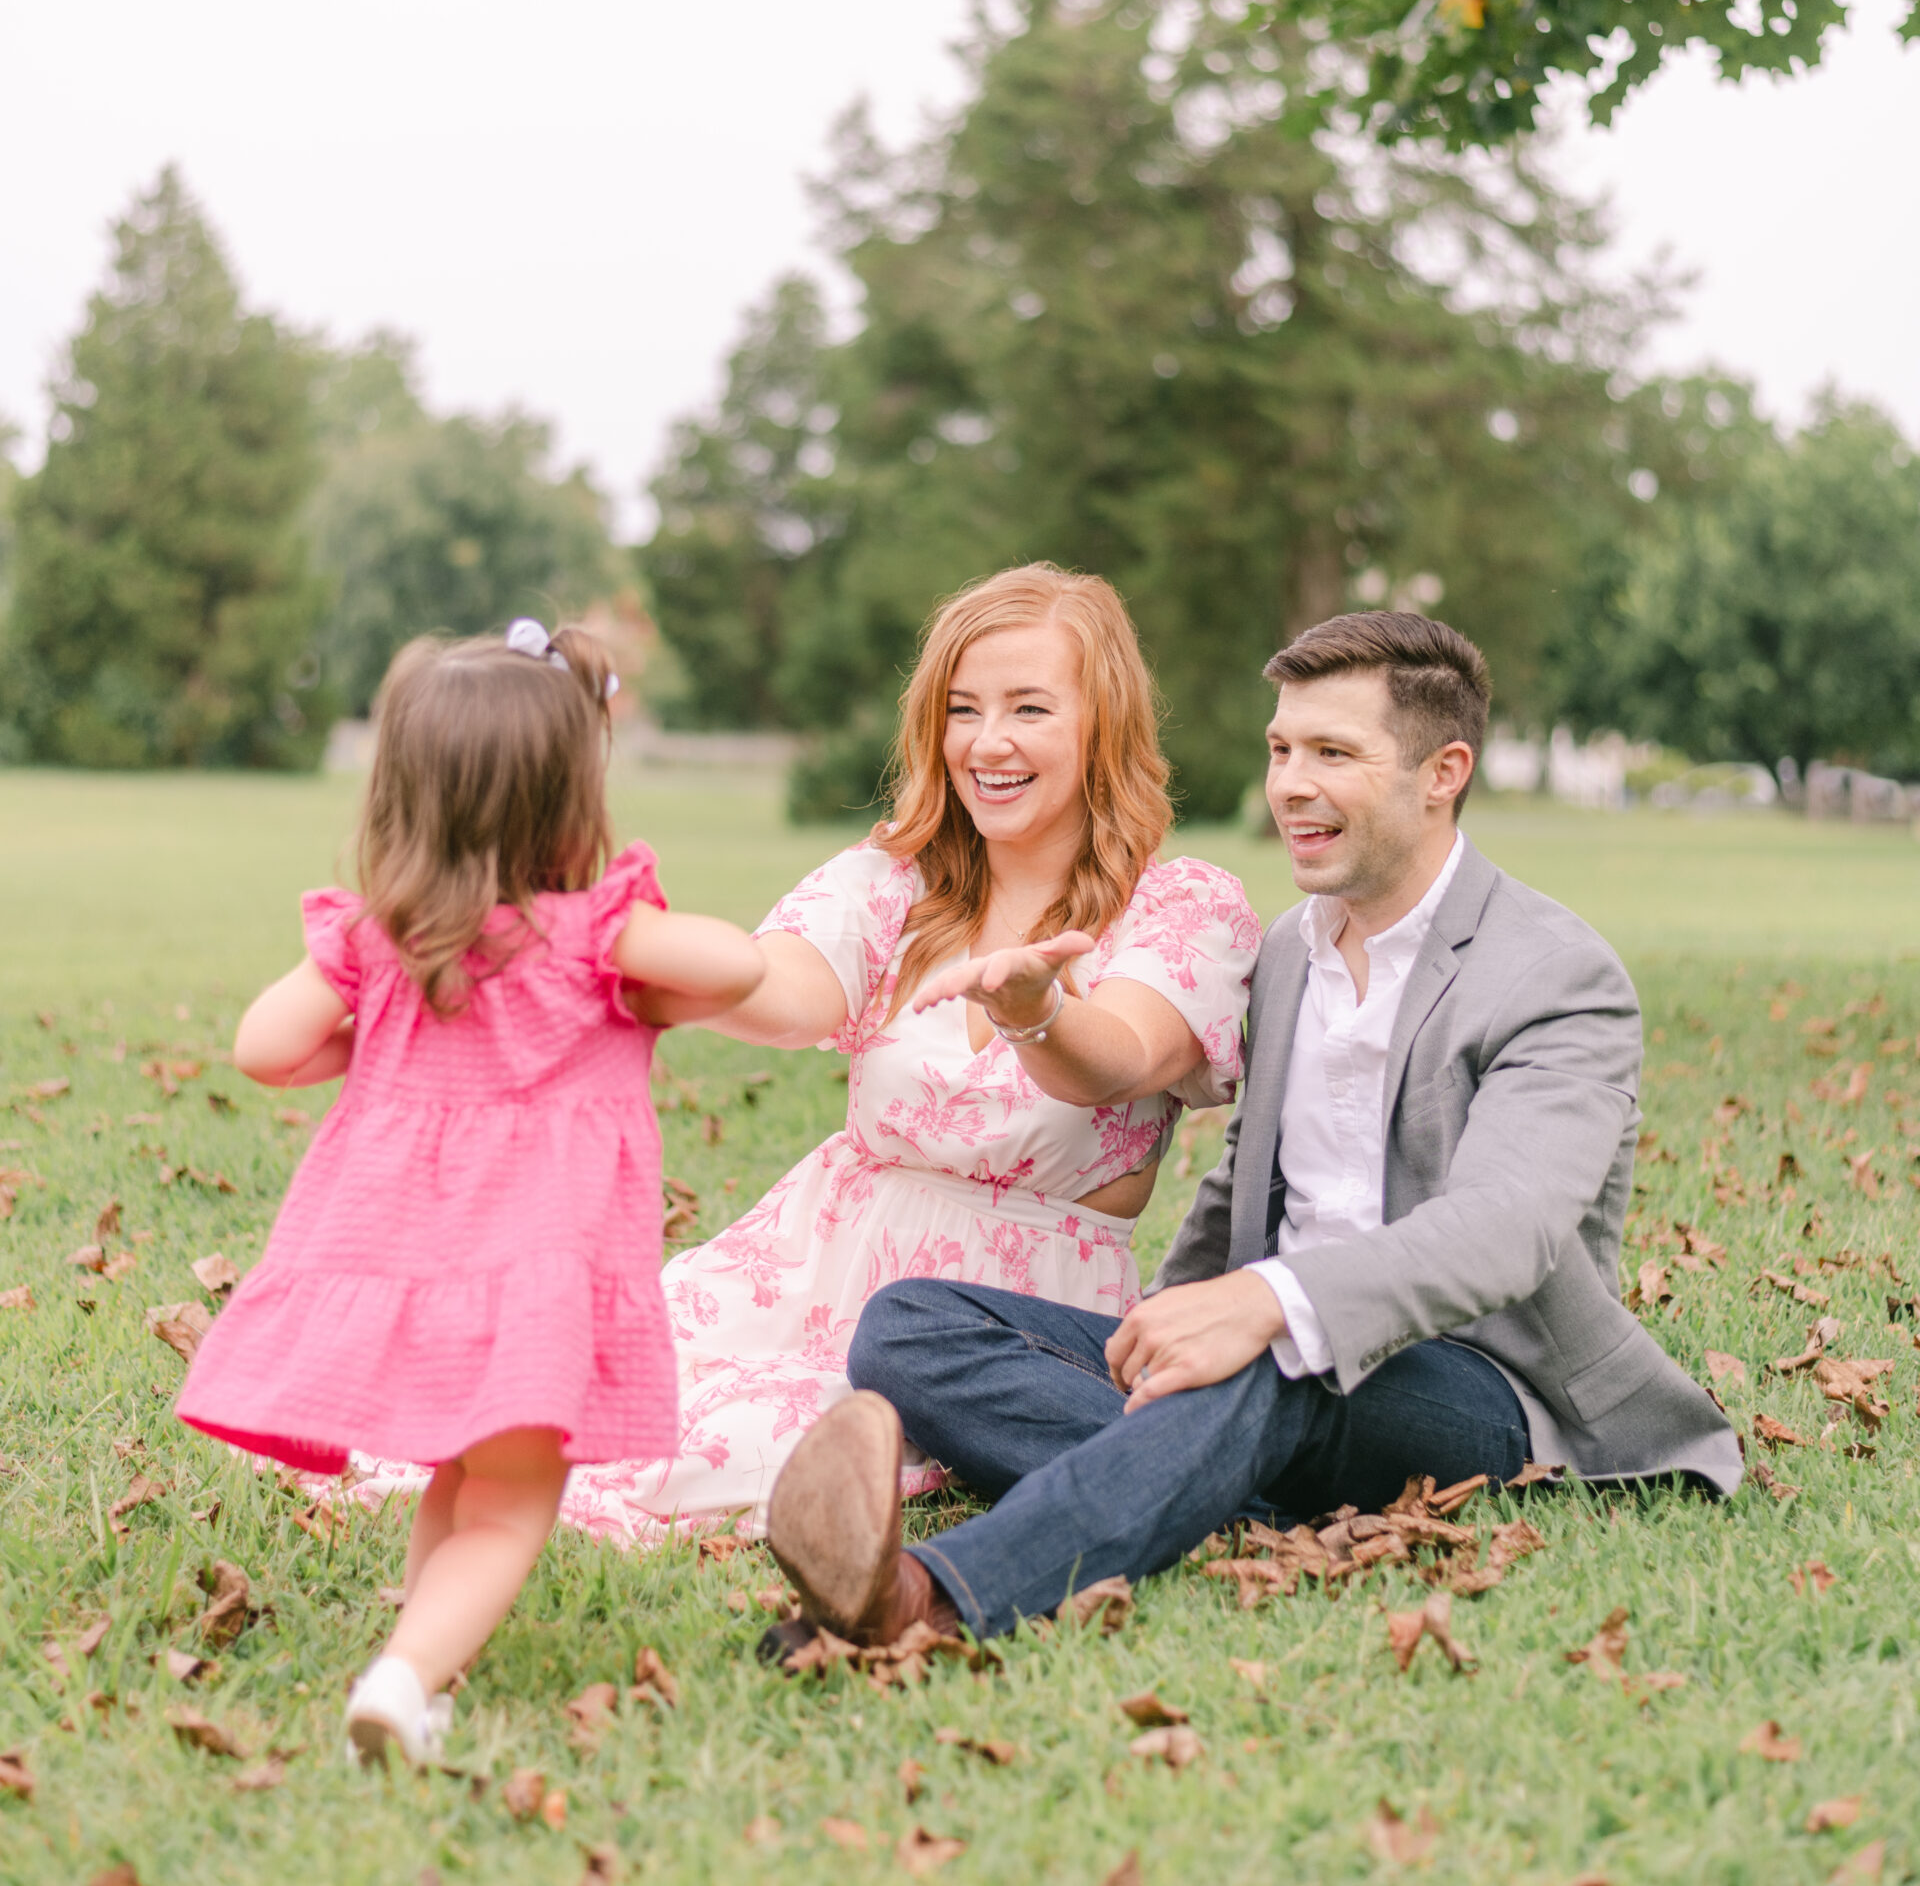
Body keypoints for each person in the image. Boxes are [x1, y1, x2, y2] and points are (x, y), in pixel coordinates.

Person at [760, 609, 1742, 1648]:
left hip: (1478, 1381)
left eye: (1333, 753)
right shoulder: (1288, 951)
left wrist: (1269, 1300)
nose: (1290, 785)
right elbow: (1246, 1182)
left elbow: (1510, 1227)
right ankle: (1229, 1505)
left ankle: (929, 1595)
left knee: (1281, 1352)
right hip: (1273, 1354)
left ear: (1442, 771)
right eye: (1281, 750)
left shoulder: (1553, 972)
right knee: (909, 1325)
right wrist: (1168, 1321)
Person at [556, 563, 1261, 1542]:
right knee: (570, 1378)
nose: (988, 741)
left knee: (716, 1449)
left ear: (1104, 722)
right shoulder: (893, 882)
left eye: (1029, 707)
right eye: (962, 709)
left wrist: (1035, 1009)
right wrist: (608, 946)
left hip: (1002, 1313)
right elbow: (783, 988)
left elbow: (1122, 1056)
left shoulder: (1184, 906)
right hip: (814, 1258)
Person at [175, 619, 765, 1765]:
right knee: (507, 1502)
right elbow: (736, 965)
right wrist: (630, 949)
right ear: (567, 801)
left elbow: (264, 1047)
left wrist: (374, 1042)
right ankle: (402, 1679)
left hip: (410, 1262)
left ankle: (422, 1656)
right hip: (539, 1270)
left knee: (457, 1467)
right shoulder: (599, 934)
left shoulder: (380, 942)